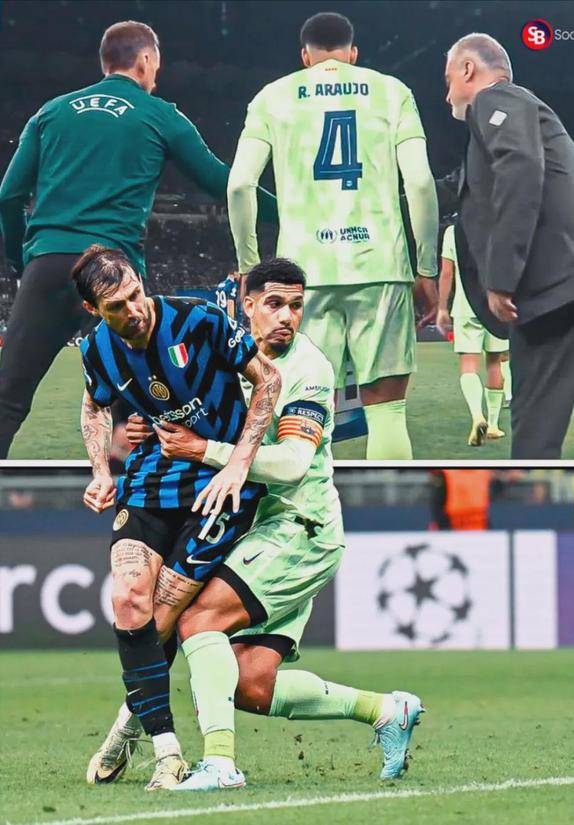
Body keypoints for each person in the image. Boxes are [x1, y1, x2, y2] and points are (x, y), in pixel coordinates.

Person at [94, 258, 424, 791]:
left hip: (298, 527)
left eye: (296, 305)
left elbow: (292, 465)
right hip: (249, 527)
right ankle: (387, 711)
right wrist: (148, 428)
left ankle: (218, 764)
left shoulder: (309, 370)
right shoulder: (225, 352)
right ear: (246, 306)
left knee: (195, 620)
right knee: (251, 685)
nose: (287, 317)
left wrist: (204, 450)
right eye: (274, 304)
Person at [0, 19, 276, 459]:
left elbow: (8, 196)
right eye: (156, 66)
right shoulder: (159, 114)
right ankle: (141, 495)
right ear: (146, 60)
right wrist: (287, 212)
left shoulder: (51, 112)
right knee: (143, 403)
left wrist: (21, 261)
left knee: (8, 397)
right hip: (115, 273)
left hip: (48, 264)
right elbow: (222, 182)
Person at [75, 245, 281, 790]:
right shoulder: (97, 349)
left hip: (216, 490)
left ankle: (124, 729)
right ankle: (168, 751)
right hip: (149, 482)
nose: (134, 309)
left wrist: (238, 464)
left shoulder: (199, 319)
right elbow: (94, 405)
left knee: (161, 618)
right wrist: (100, 471)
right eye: (117, 305)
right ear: (94, 310)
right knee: (128, 600)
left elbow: (268, 379)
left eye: (136, 294)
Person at [227, 12, 439, 459]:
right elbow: (420, 184)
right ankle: (388, 502)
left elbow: (240, 185)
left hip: (301, 277)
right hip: (380, 265)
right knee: (387, 410)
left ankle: (304, 504)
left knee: (303, 410)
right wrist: (426, 267)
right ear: (353, 53)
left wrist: (249, 266)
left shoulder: (273, 97)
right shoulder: (392, 91)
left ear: (305, 56)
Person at [442, 33, 574, 459]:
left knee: (535, 438)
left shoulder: (496, 98)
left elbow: (519, 166)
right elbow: (463, 186)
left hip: (557, 286)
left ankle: (526, 506)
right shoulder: (512, 116)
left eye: (448, 82)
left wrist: (501, 277)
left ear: (468, 69)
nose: (447, 96)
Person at [437, 223, 510, 446]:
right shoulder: (500, 224)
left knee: (469, 364)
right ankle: (494, 425)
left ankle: (478, 416)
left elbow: (447, 273)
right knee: (495, 364)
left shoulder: (453, 231)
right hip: (495, 307)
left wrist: (442, 307)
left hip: (465, 307)